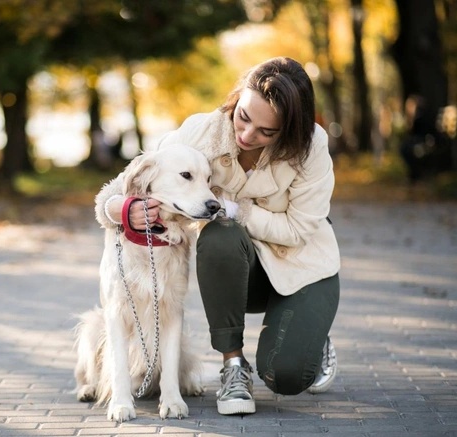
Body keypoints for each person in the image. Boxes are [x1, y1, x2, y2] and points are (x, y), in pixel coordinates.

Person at [94, 57, 340, 415]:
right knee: (219, 236)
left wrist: (236, 208)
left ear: (290, 129)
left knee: (286, 375)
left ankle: (313, 332)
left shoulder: (312, 146)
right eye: (243, 117)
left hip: (301, 265)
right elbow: (120, 187)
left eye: (265, 132)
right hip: (234, 268)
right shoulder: (201, 132)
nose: (246, 135)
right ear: (237, 97)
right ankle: (234, 366)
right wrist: (120, 208)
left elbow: (299, 229)